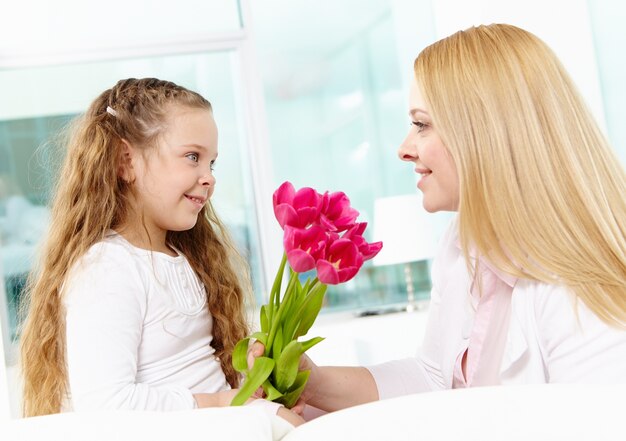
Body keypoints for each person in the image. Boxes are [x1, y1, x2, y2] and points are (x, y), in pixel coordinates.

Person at [250, 23, 626, 414]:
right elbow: (434, 378)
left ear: (482, 133)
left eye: (422, 124)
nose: (404, 149)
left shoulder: (583, 292)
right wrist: (311, 381)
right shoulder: (464, 243)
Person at [19, 78, 303, 426]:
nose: (209, 177)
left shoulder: (185, 258)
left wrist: (250, 384)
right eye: (192, 157)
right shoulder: (108, 267)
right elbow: (106, 402)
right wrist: (217, 402)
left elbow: (197, 370)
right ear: (126, 162)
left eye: (211, 163)